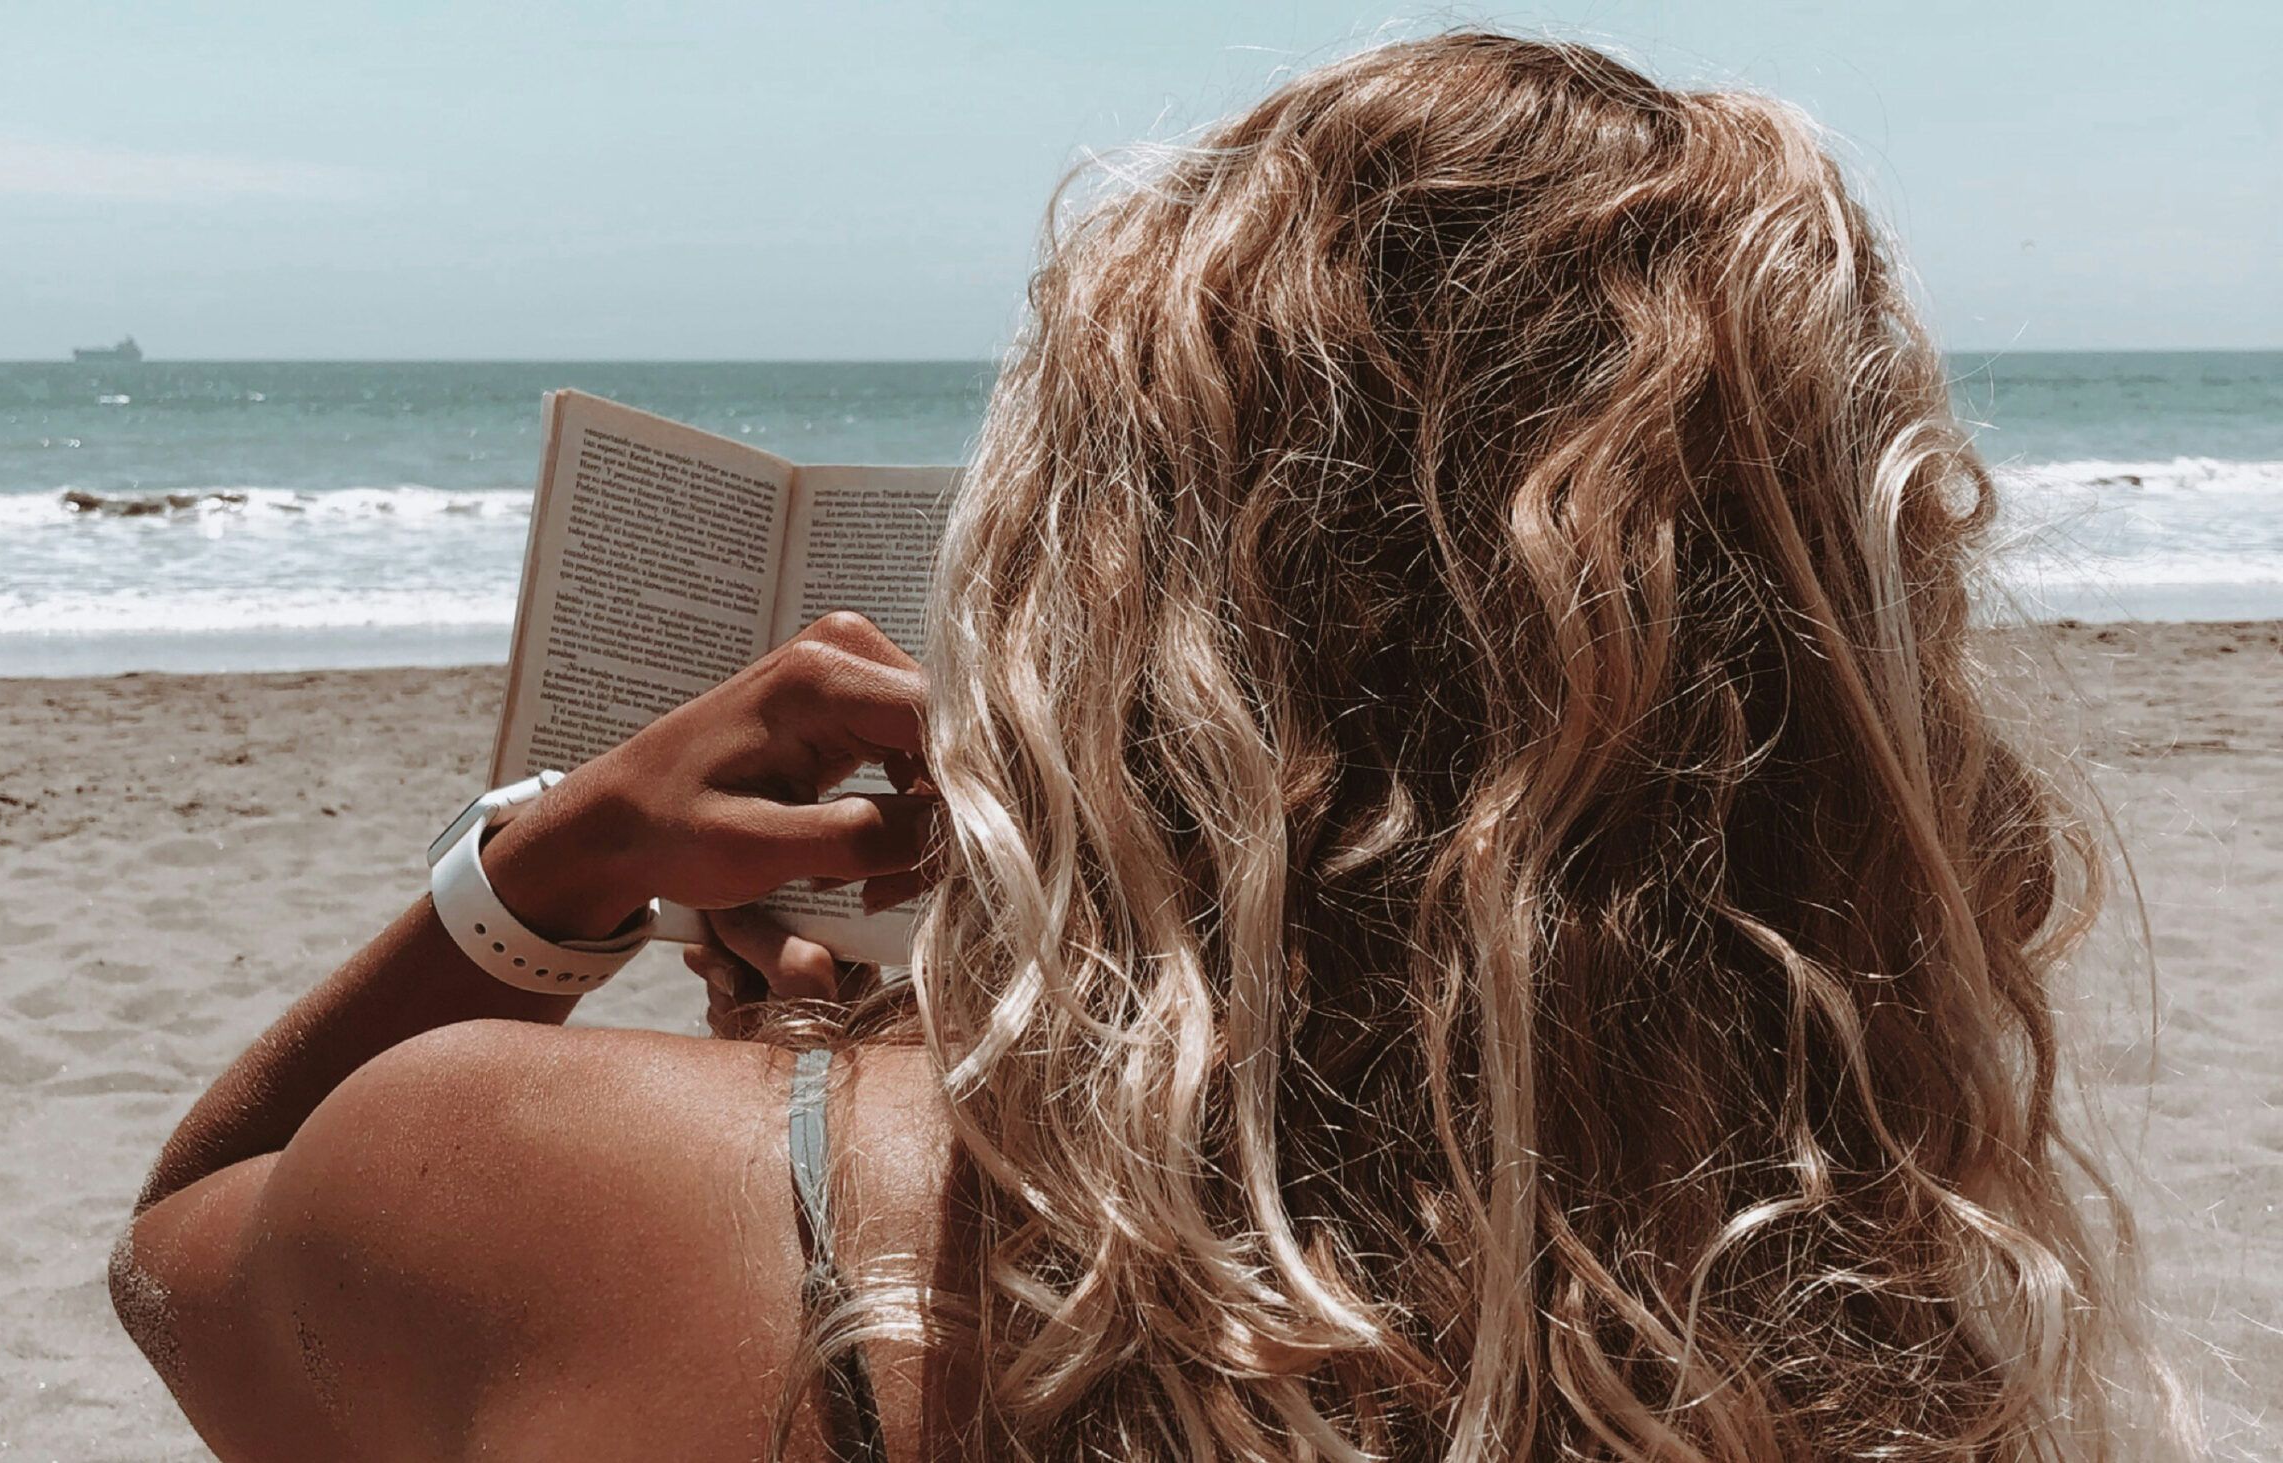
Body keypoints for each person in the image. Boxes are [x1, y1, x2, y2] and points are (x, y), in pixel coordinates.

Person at [111, 33, 2164, 1463]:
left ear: (1102, 577)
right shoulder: (1864, 1333)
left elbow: (187, 1252)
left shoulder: (548, 1192)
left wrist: (549, 880)